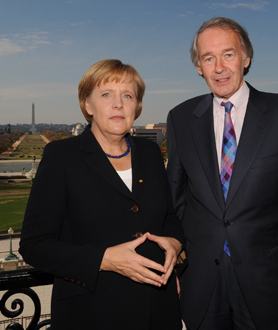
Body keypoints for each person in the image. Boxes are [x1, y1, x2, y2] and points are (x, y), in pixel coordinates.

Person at [167, 17, 278, 330]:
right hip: (201, 281)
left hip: (268, 281)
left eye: (228, 55)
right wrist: (171, 267)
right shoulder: (181, 118)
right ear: (198, 66)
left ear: (246, 58)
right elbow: (174, 204)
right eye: (208, 58)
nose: (218, 68)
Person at [20, 59, 184, 330]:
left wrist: (175, 243)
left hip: (159, 309)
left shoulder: (150, 154)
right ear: (88, 105)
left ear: (137, 107)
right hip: (92, 312)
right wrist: (104, 259)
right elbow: (34, 245)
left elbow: (169, 217)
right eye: (106, 94)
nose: (118, 104)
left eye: (127, 96)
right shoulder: (61, 157)